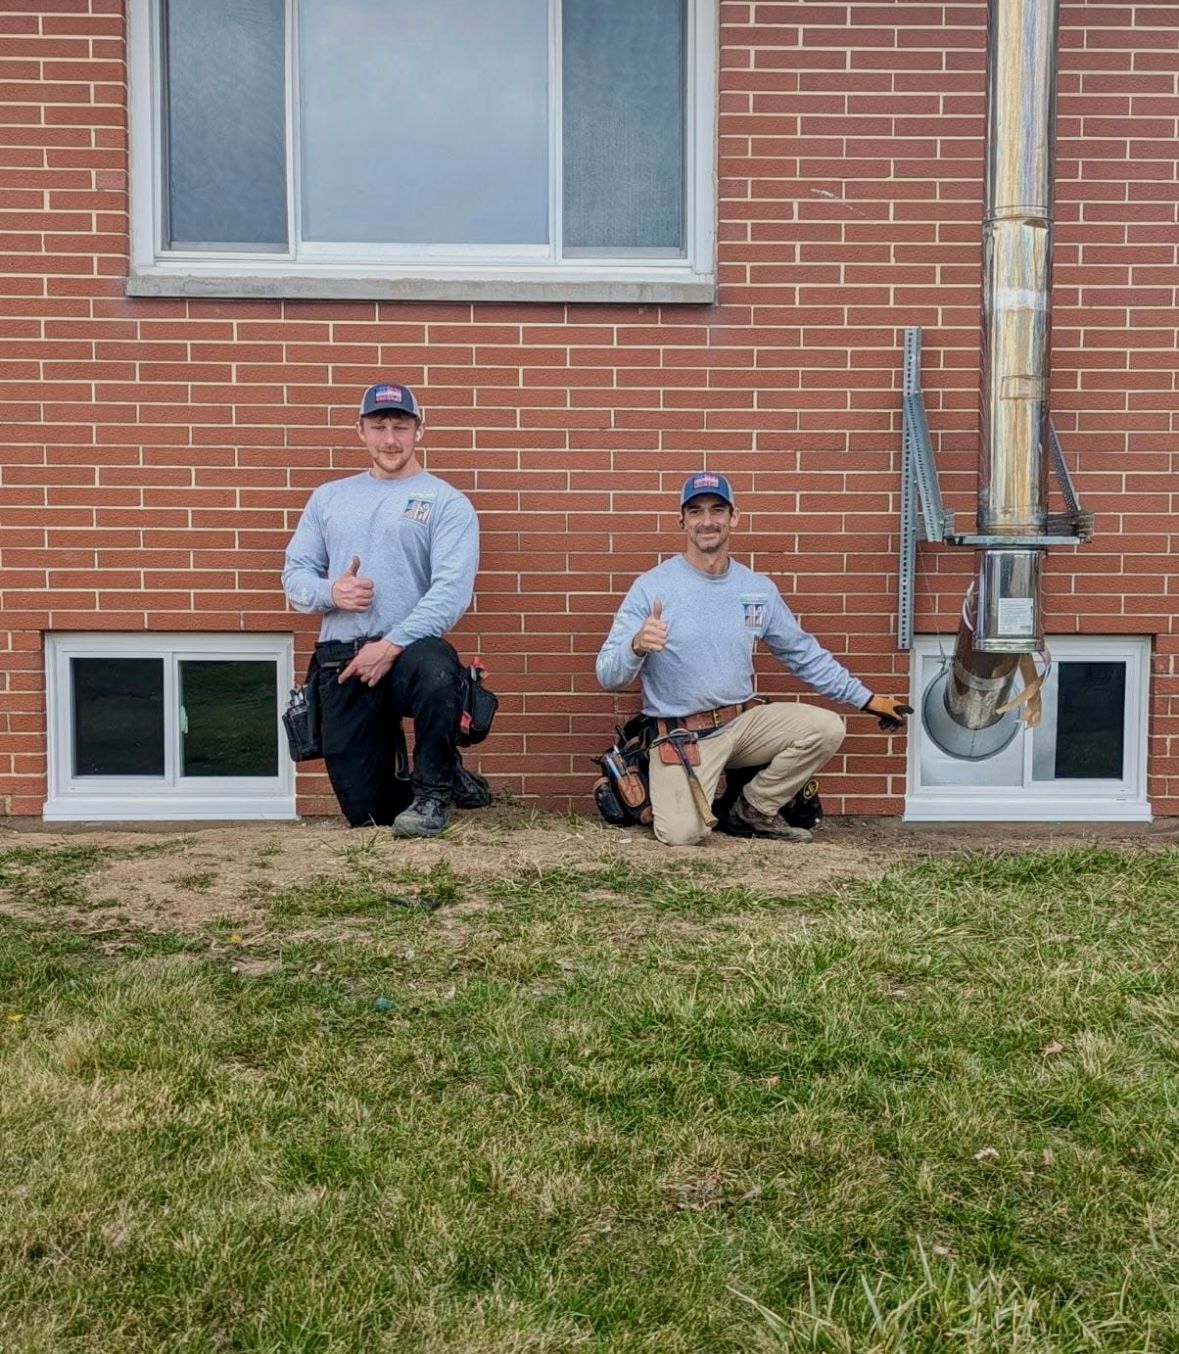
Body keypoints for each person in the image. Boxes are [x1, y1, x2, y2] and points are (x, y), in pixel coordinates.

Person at [596, 471, 911, 846]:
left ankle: (751, 809)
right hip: (683, 736)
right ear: (681, 520)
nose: (707, 521)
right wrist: (637, 646)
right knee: (683, 835)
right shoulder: (652, 587)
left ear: (734, 517)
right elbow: (607, 674)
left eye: (717, 509)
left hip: (743, 725)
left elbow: (802, 654)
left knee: (826, 728)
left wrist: (868, 699)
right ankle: (658, 778)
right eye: (695, 511)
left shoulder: (756, 590)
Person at [282, 381, 478, 837]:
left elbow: (451, 593)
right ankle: (444, 773)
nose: (390, 438)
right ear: (361, 432)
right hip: (343, 659)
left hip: (409, 650)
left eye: (400, 426)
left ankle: (433, 793)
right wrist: (333, 592)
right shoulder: (329, 498)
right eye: (379, 426)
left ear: (418, 431)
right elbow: (294, 576)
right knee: (367, 813)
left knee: (437, 669)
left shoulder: (446, 502)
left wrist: (390, 645)